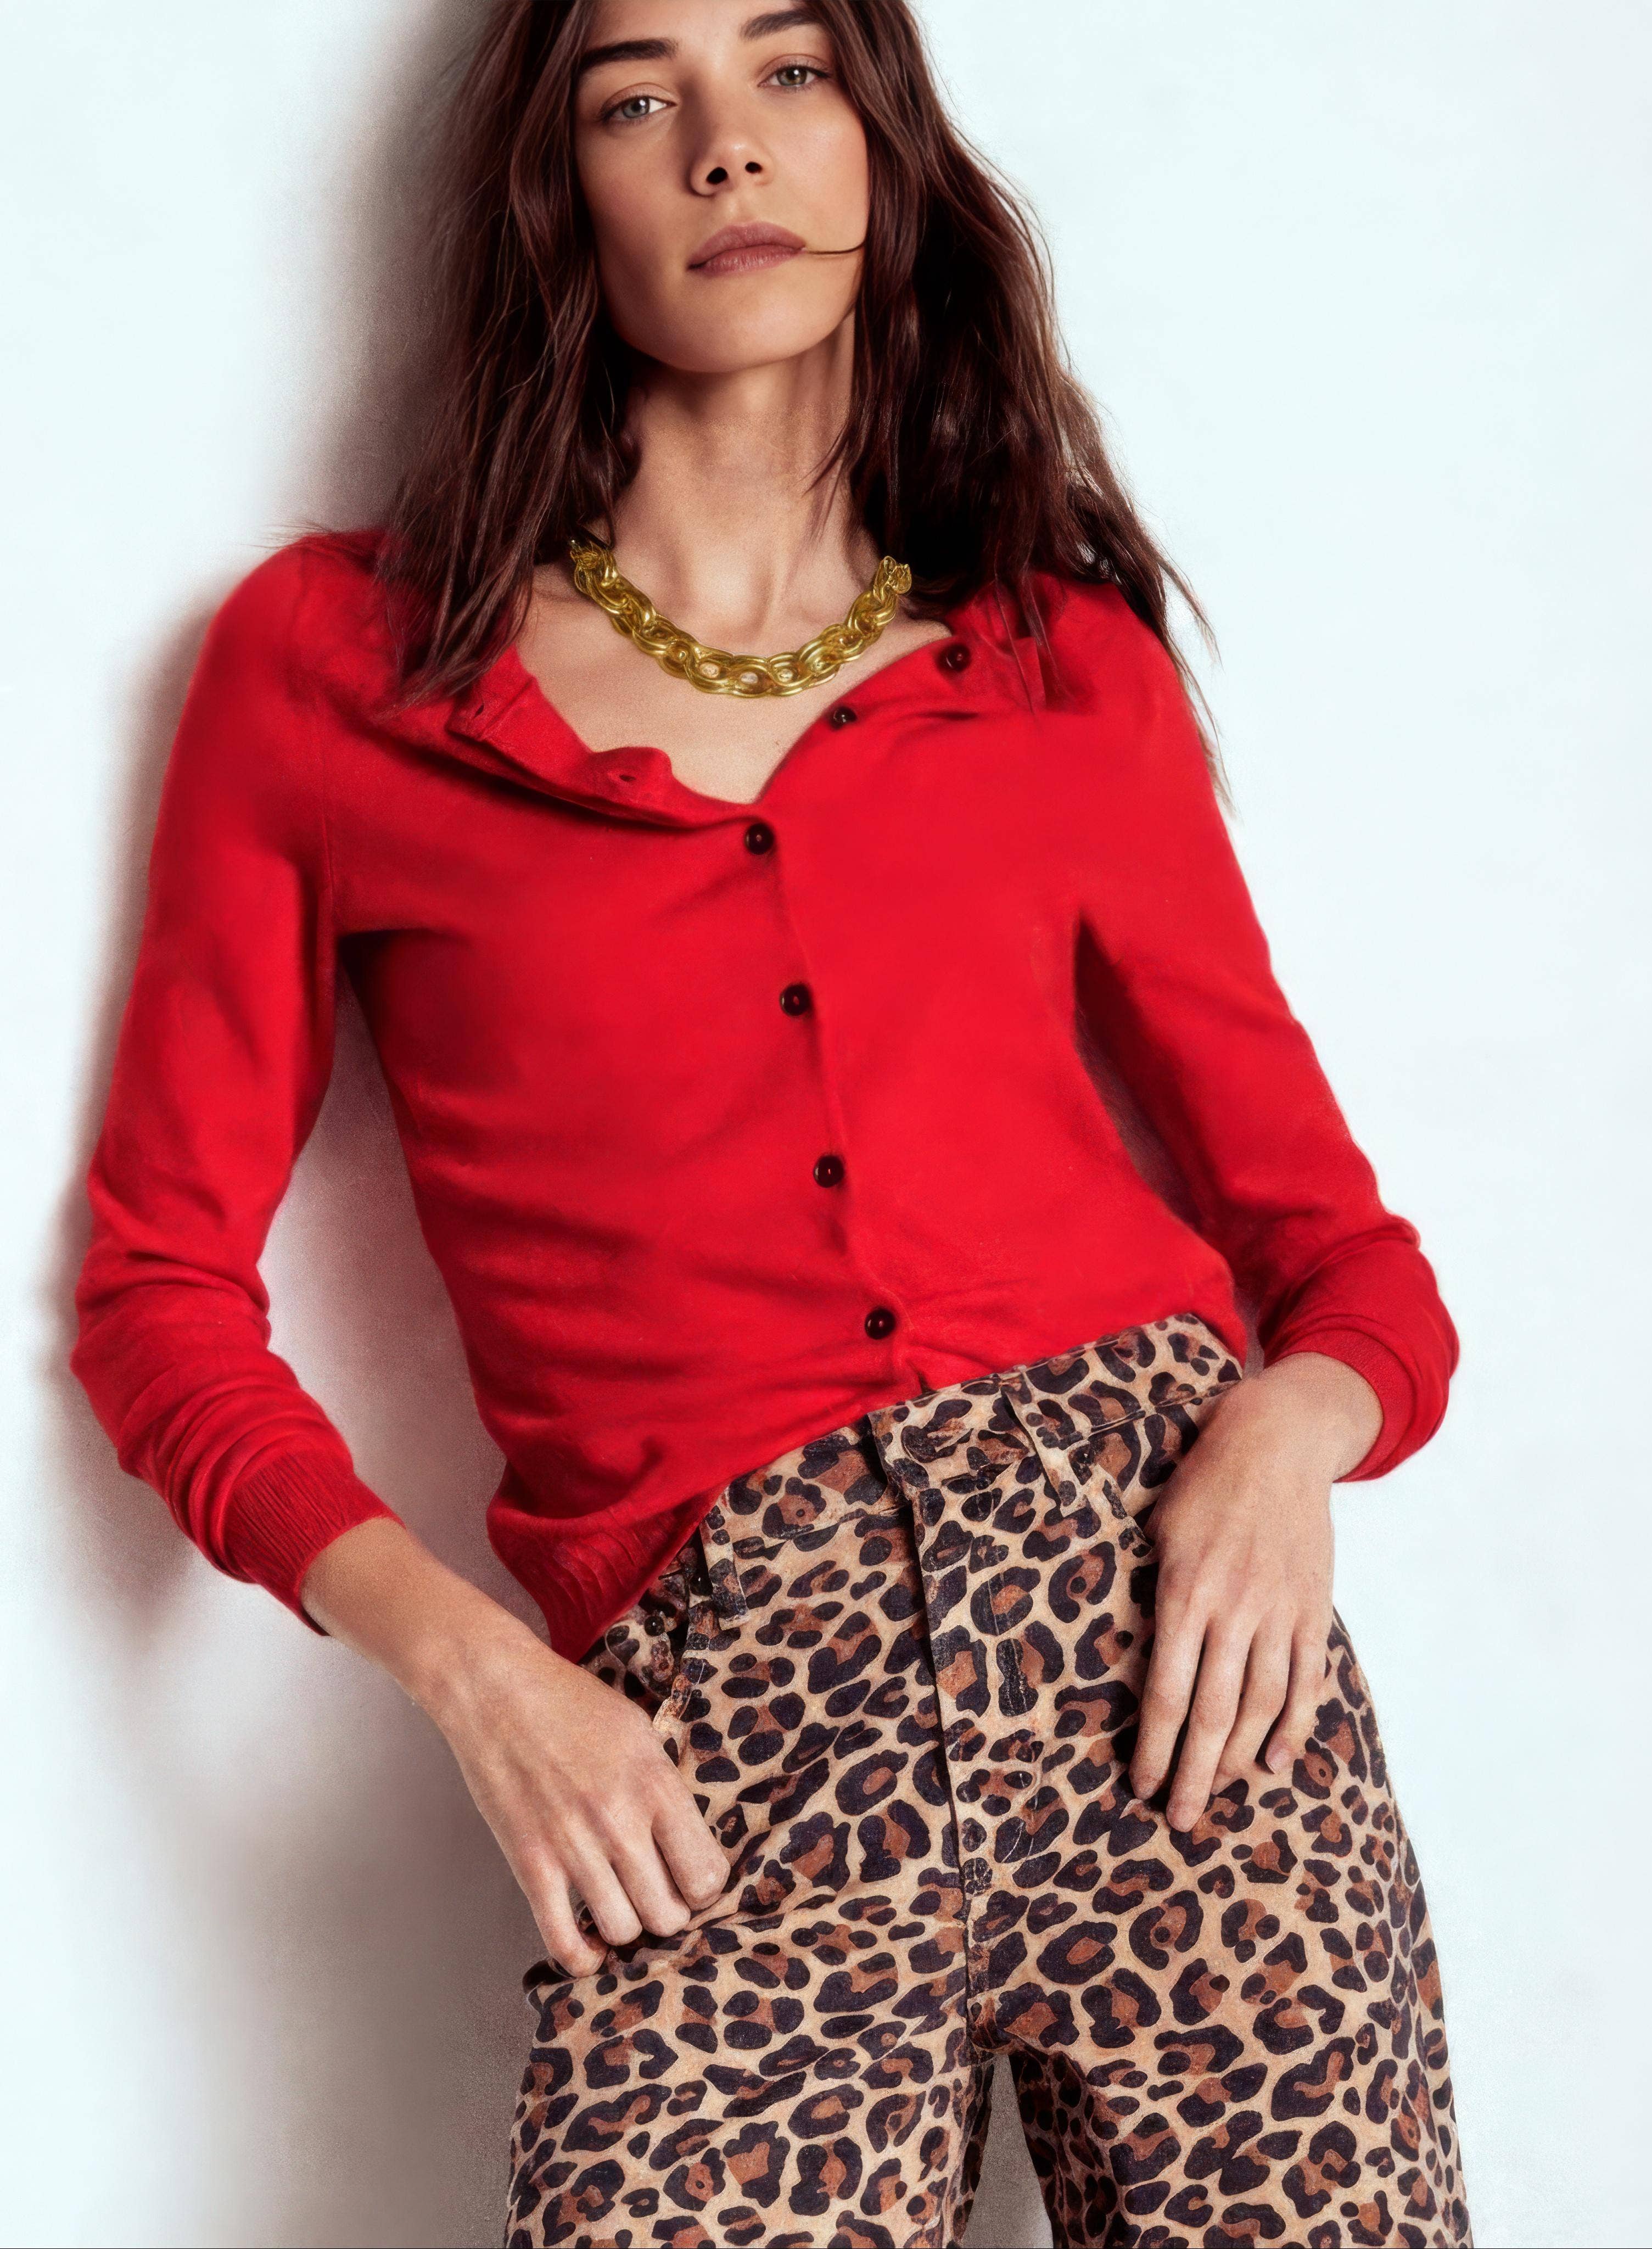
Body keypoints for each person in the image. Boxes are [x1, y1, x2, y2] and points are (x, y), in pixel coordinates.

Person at [69, 2, 1471, 2242]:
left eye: (793, 70)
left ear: (885, 147)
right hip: (712, 1760)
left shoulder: (1055, 663)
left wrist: (1285, 1442)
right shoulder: (339, 666)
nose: (727, 147)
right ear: (559, 200)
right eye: (638, 99)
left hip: (1189, 1698)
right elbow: (157, 1298)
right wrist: (474, 1668)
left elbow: (1348, 1265)